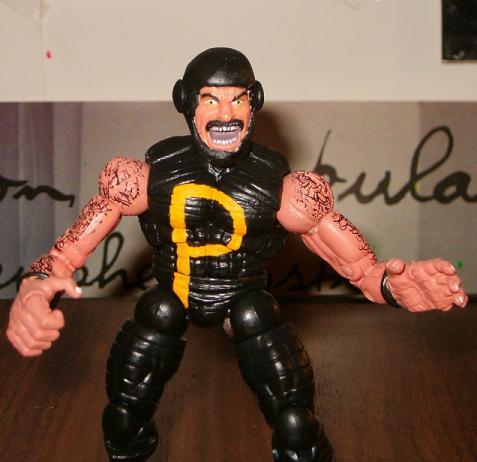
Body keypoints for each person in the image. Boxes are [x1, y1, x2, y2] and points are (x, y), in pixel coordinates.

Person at [7, 48, 468, 462]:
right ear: (185, 102)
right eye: (210, 100)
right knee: (128, 401)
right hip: (174, 293)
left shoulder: (285, 189)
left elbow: (360, 267)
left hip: (243, 298)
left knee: (292, 414)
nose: (225, 114)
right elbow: (67, 251)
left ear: (255, 102)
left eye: (237, 99)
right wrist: (37, 285)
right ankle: (130, 442)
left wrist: (388, 284)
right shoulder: (144, 177)